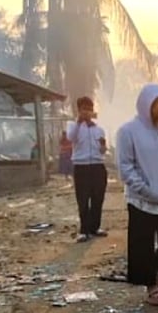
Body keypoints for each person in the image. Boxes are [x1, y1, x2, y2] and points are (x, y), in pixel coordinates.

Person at [117, 83, 158, 307]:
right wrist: (145, 190)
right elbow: (126, 167)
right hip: (142, 199)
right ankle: (152, 285)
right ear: (146, 104)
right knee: (142, 243)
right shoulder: (128, 131)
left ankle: (157, 274)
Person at [69, 97, 108, 242]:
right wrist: (79, 122)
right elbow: (71, 138)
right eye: (84, 109)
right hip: (82, 167)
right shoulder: (73, 126)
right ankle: (84, 230)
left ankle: (95, 227)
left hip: (98, 166)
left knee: (98, 198)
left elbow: (102, 151)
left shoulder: (99, 130)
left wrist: (103, 147)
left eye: (89, 109)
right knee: (83, 199)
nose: (87, 112)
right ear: (79, 110)